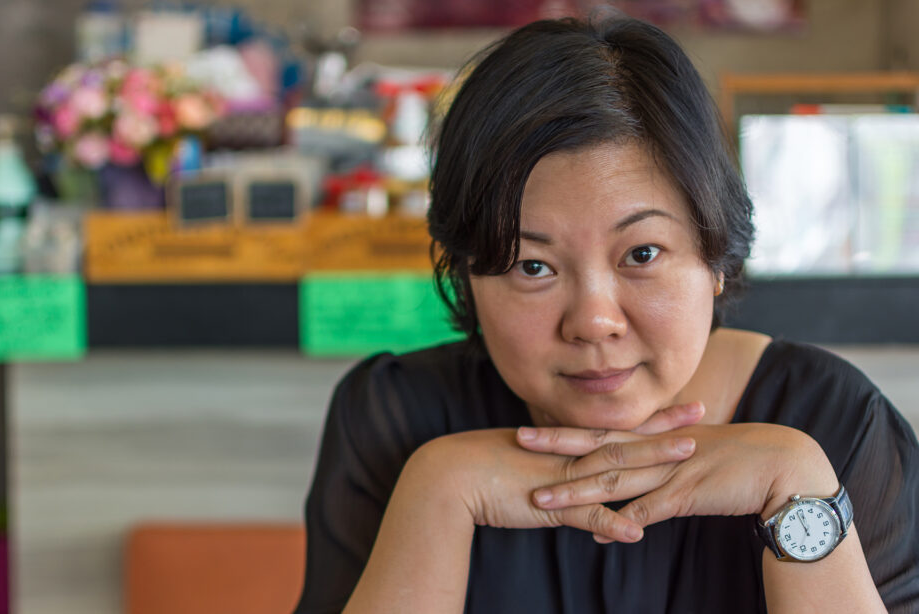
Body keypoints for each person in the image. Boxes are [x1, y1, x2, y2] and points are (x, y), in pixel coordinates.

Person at [294, 14, 919, 614]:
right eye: (530, 265)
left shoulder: (837, 424)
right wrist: (435, 491)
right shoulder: (391, 418)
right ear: (466, 275)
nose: (594, 322)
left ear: (716, 252)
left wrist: (799, 489)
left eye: (642, 253)